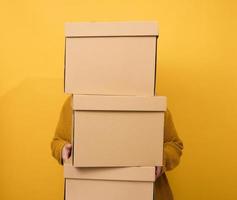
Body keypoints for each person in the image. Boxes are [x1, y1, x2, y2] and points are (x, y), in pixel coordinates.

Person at [51, 95, 183, 200]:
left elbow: (174, 145)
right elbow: (57, 141)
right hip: (91, 190)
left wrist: (160, 158)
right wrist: (63, 149)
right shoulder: (76, 102)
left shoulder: (151, 104)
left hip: (145, 190)